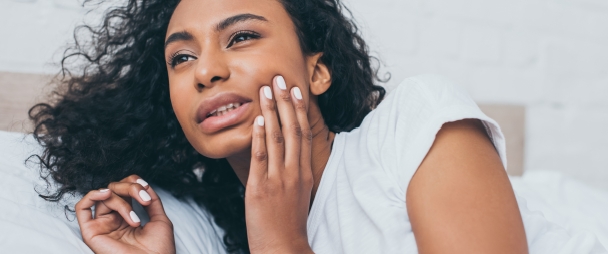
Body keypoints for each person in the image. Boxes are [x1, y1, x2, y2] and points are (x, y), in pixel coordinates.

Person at [30, 0, 532, 253]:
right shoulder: (236, 235)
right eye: (181, 57)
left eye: (242, 36)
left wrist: (282, 243)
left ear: (317, 71)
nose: (205, 71)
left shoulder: (414, 124)